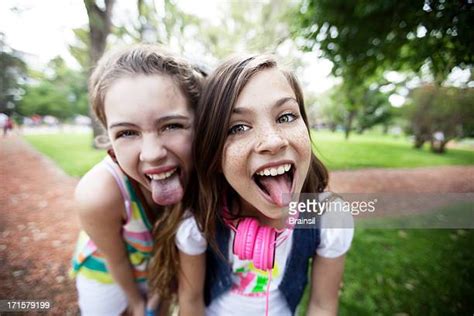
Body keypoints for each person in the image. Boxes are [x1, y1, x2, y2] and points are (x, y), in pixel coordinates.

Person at [192, 55, 354, 315]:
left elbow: (323, 305)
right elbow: (190, 304)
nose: (273, 141)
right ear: (213, 154)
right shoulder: (200, 219)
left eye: (286, 117)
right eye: (238, 127)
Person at [70, 45, 206, 316]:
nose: (153, 154)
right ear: (110, 140)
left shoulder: (208, 173)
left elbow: (303, 209)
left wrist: (157, 295)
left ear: (199, 121)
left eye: (172, 126)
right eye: (127, 133)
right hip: (108, 274)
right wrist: (135, 302)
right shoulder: (98, 194)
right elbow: (116, 260)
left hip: (160, 269)